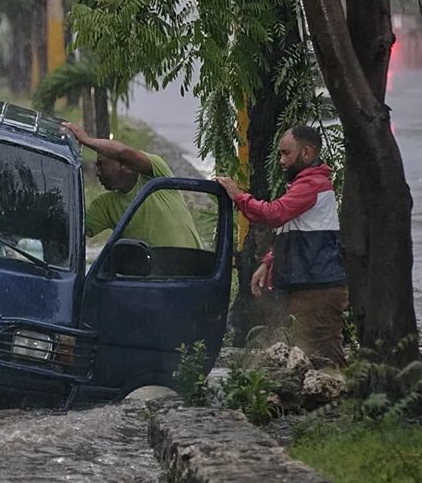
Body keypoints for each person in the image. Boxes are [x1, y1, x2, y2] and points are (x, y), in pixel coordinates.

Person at [216, 125, 347, 367]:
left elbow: (274, 214)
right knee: (310, 358)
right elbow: (294, 232)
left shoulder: (312, 185)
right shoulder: (305, 185)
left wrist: (237, 196)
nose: (281, 161)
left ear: (307, 152)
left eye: (286, 153)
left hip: (316, 289)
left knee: (325, 360)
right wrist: (268, 263)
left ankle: (348, 401)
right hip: (309, 287)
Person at [64, 123, 203, 250]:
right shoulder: (105, 205)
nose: (97, 173)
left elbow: (123, 152)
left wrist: (86, 140)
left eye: (101, 165)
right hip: (154, 276)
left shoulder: (157, 175)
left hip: (194, 272)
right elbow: (73, 230)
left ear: (124, 164)